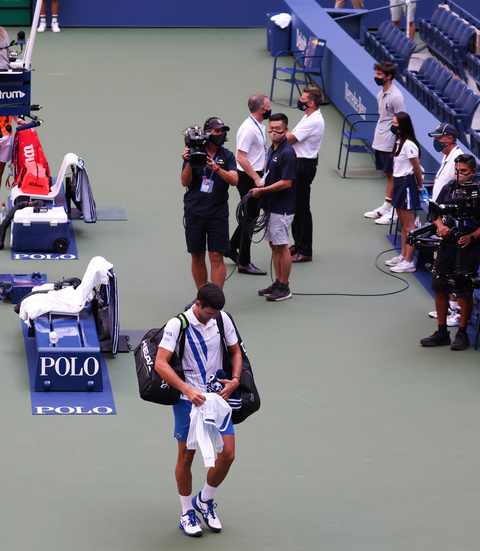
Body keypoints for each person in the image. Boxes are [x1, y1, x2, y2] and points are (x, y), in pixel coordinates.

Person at [153, 283, 243, 538]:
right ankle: (186, 512)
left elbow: (235, 351)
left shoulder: (222, 319)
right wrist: (187, 390)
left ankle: (203, 500)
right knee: (186, 457)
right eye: (209, 312)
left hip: (215, 398)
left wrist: (235, 379)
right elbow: (160, 363)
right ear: (198, 304)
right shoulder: (177, 325)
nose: (212, 317)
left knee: (228, 454)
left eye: (216, 313)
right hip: (186, 399)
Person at [419, 154, 480, 351]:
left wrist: (473, 236)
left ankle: (462, 333)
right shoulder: (449, 188)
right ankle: (442, 331)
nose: (459, 174)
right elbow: (434, 212)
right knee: (439, 284)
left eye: (463, 172)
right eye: (457, 170)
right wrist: (441, 227)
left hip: (468, 246)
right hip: (447, 243)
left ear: (473, 172)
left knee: (464, 289)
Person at [180, 117, 239, 289]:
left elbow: (235, 180)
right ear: (207, 133)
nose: (221, 134)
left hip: (218, 214)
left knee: (216, 255)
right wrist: (190, 162)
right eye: (217, 131)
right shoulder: (193, 152)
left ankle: (216, 299)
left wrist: (217, 168)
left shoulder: (227, 156)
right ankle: (202, 297)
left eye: (223, 131)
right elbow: (184, 181)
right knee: (197, 255)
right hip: (194, 213)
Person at [250, 113, 297, 302]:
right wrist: (262, 184)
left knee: (282, 246)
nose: (273, 132)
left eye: (278, 129)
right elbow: (271, 173)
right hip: (272, 205)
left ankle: (284, 287)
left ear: (286, 130)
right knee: (274, 245)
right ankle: (278, 282)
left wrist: (263, 190)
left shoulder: (287, 153)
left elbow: (286, 182)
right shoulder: (273, 149)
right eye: (271, 129)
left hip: (282, 208)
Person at [425, 122, 467, 325]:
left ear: (449, 139)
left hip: (450, 223)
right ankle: (450, 309)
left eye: (438, 138)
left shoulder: (457, 160)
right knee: (442, 268)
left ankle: (457, 311)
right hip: (440, 220)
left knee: (452, 267)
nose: (436, 141)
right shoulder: (446, 158)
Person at [230, 94, 271, 276]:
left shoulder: (258, 126)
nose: (270, 109)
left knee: (251, 215)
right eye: (268, 106)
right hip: (249, 177)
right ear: (262, 109)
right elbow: (240, 157)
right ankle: (244, 262)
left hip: (255, 173)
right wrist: (256, 178)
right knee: (250, 219)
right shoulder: (248, 129)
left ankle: (230, 247)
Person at [364, 61, 406, 225]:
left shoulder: (397, 97)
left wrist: (399, 143)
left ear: (389, 76)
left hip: (391, 142)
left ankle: (395, 211)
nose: (376, 77)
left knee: (394, 176)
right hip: (380, 139)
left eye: (380, 74)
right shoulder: (381, 94)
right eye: (376, 74)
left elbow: (402, 120)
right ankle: (387, 206)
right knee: (388, 175)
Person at [286, 87, 325, 263]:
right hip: (299, 163)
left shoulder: (313, 120)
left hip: (303, 166)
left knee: (301, 208)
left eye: (303, 98)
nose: (299, 100)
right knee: (294, 207)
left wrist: (275, 134)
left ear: (310, 103)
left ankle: (305, 250)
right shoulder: (309, 115)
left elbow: (290, 139)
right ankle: (298, 243)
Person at [383, 112, 425, 273]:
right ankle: (402, 255)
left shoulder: (409, 144)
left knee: (409, 226)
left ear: (403, 126)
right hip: (399, 183)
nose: (393, 126)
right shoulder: (399, 141)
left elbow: (416, 168)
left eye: (395, 124)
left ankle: (409, 262)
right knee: (402, 224)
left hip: (407, 183)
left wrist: (419, 185)